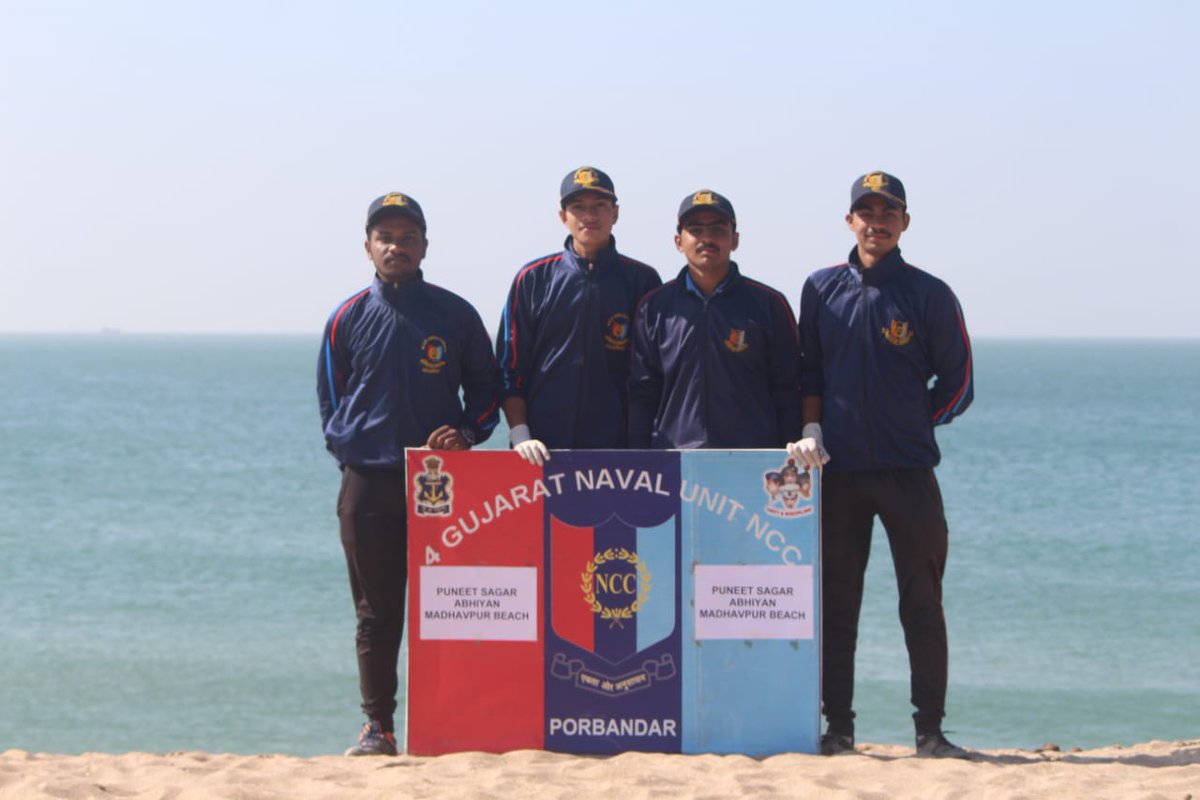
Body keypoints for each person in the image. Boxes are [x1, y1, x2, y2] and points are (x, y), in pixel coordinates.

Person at [787, 171, 974, 759]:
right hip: (838, 475)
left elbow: (960, 381)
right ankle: (838, 728)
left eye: (888, 211)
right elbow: (808, 373)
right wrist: (810, 429)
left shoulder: (929, 293)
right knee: (838, 602)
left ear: (904, 222)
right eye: (866, 212)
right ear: (850, 222)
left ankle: (930, 731)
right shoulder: (819, 289)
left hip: (907, 473)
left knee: (922, 602)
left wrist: (917, 423)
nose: (877, 221)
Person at [317, 192, 500, 756]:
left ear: (425, 246)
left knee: (450, 604)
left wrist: (466, 435)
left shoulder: (454, 313)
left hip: (441, 484)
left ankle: (455, 722)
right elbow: (332, 403)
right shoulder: (347, 316)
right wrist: (357, 451)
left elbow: (489, 394)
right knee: (377, 613)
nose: (396, 246)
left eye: (407, 236)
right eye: (385, 237)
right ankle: (379, 727)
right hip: (368, 483)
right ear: (368, 246)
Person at [496, 166, 661, 464]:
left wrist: (643, 443)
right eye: (578, 208)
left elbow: (653, 373)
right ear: (563, 216)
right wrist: (520, 434)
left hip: (619, 449)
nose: (590, 216)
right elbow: (510, 366)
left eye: (599, 206)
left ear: (616, 213)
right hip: (542, 449)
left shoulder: (643, 281)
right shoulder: (533, 278)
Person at [628, 190, 801, 449]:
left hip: (751, 461)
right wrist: (639, 460)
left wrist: (791, 449)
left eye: (718, 230)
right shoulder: (655, 308)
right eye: (696, 230)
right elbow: (642, 394)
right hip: (675, 461)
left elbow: (788, 388)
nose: (707, 239)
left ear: (735, 240)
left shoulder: (769, 304)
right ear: (678, 241)